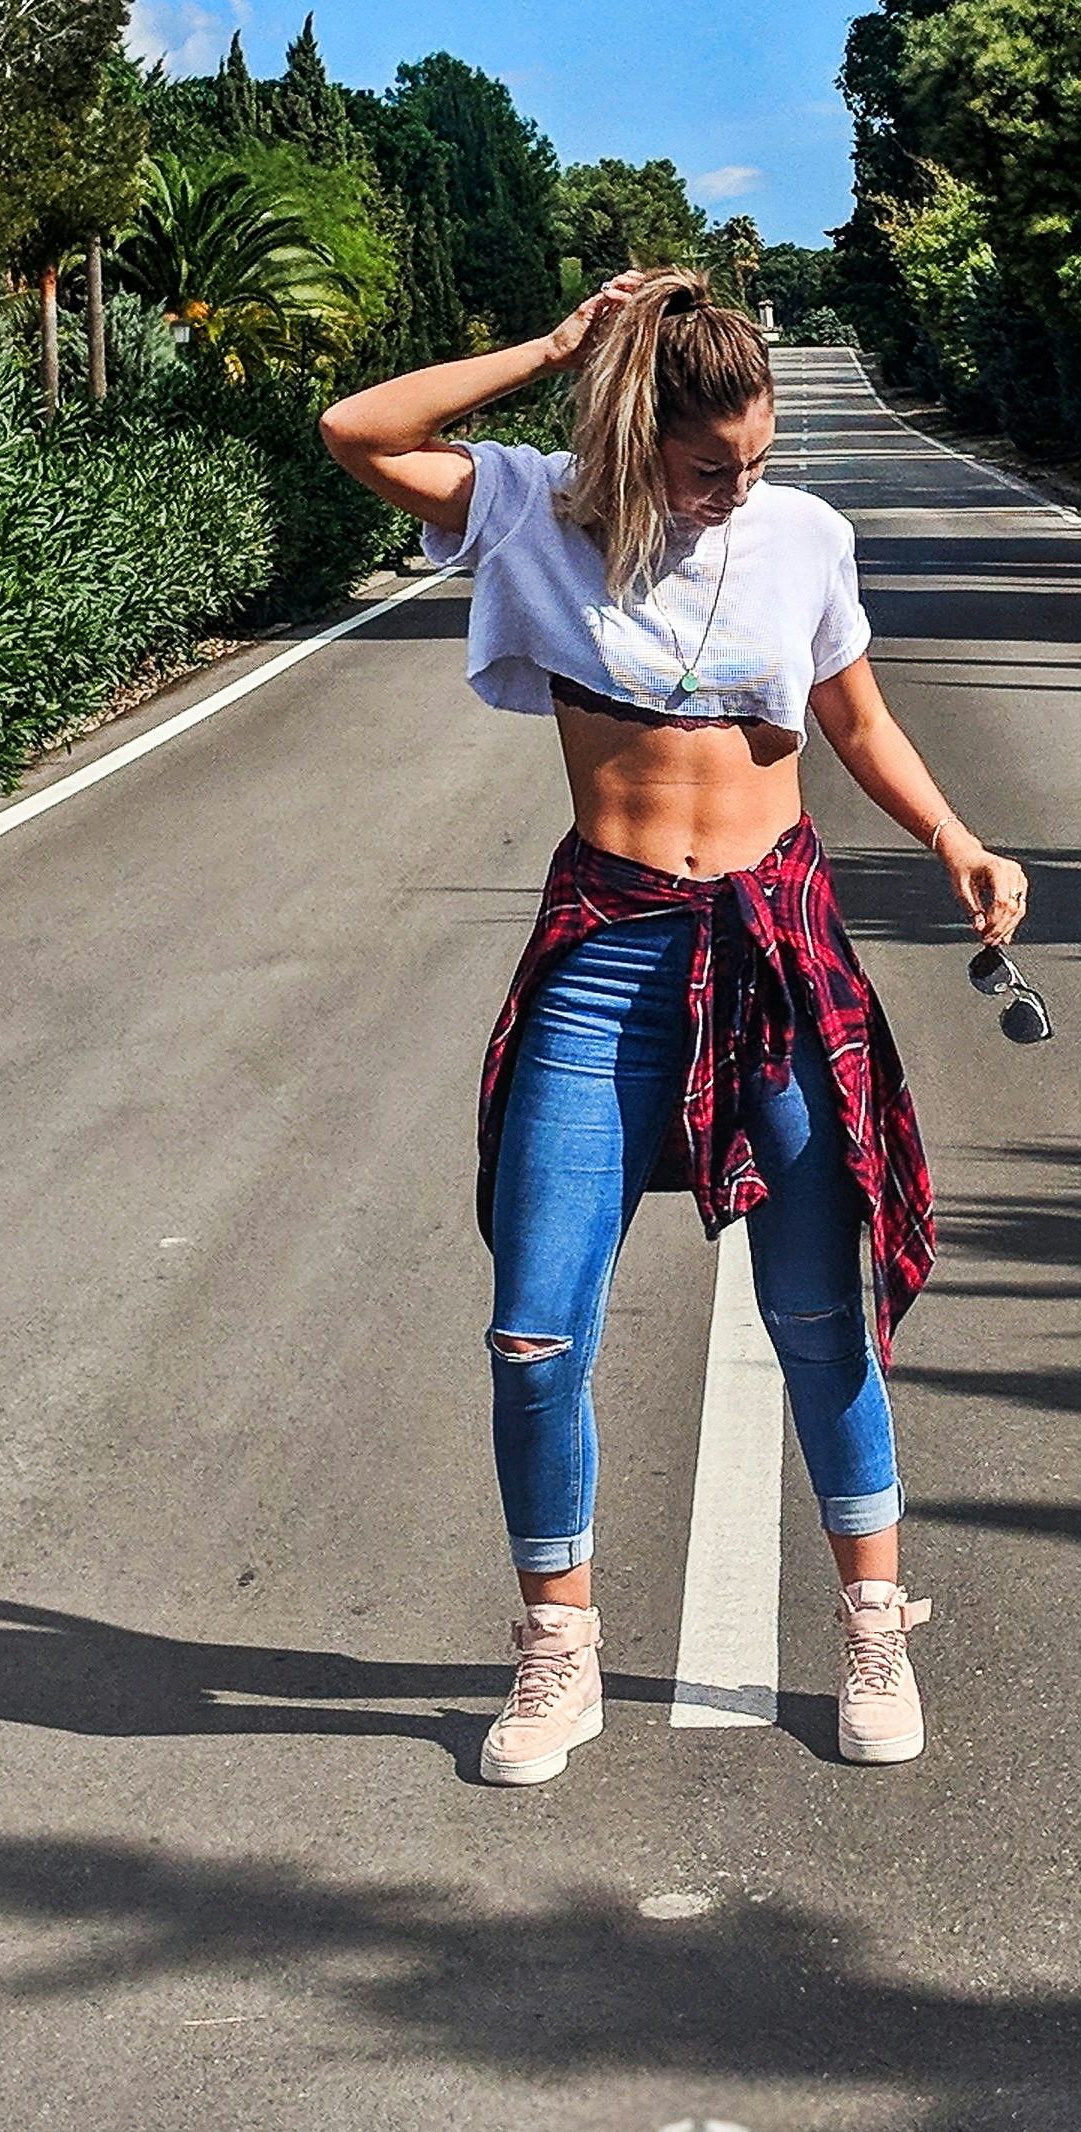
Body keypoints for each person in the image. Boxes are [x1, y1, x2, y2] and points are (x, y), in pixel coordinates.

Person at [321, 268, 1028, 1785]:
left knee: (819, 1317)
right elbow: (356, 428)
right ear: (639, 437)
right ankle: (558, 1653)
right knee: (533, 1332)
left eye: (756, 462)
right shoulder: (534, 513)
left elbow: (853, 716)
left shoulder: (803, 539)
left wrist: (958, 842)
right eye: (710, 467)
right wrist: (555, 344)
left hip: (776, 950)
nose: (736, 491)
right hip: (607, 957)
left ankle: (870, 1626)